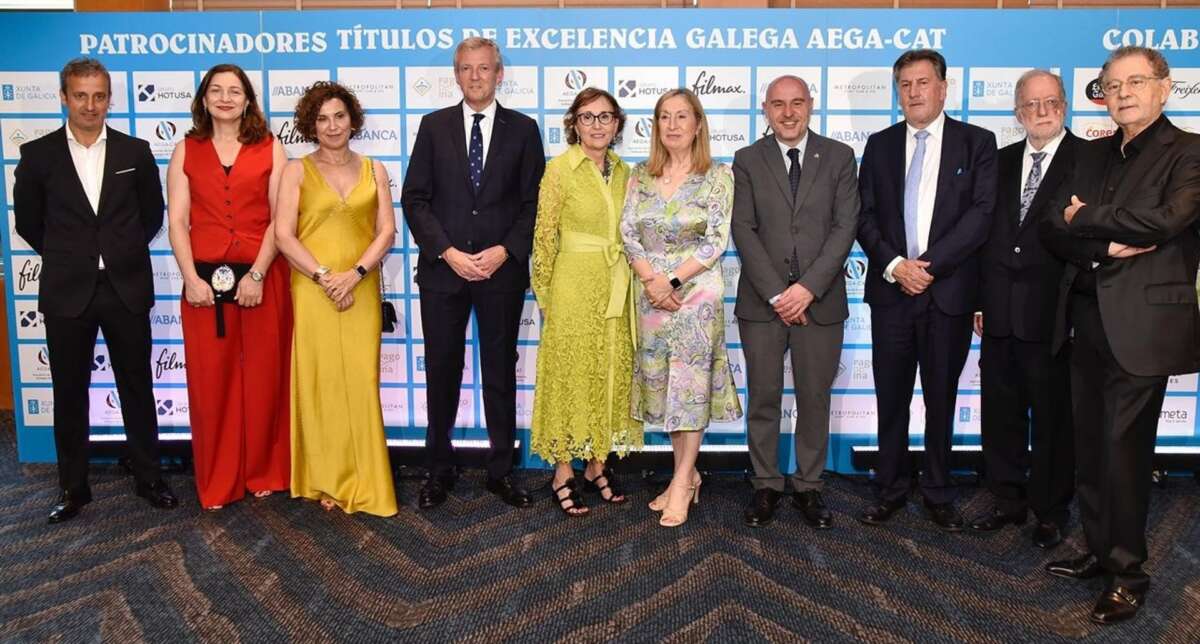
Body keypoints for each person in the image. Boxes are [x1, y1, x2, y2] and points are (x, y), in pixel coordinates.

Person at [1040, 46, 1200, 624]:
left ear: (1165, 87)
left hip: (1143, 326)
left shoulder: (1189, 151)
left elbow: (1166, 221)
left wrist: (1088, 217)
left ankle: (1128, 574)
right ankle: (1099, 549)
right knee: (1089, 448)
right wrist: (1100, 238)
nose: (1124, 92)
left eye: (1136, 81)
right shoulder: (1092, 153)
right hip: (1084, 317)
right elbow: (1053, 226)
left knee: (1124, 453)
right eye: (1113, 84)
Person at [14, 57, 177, 523]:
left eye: (99, 95)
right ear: (64, 97)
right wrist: (74, 257)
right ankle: (73, 487)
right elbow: (30, 223)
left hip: (125, 288)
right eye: (80, 95)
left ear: (109, 98)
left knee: (137, 387)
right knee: (69, 392)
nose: (90, 105)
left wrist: (117, 254)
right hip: (67, 291)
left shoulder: (135, 152)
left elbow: (151, 217)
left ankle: (149, 477)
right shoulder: (38, 156)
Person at [855, 49, 998, 531]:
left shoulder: (977, 142)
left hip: (948, 294)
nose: (913, 93)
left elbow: (980, 217)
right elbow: (864, 216)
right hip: (893, 294)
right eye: (905, 85)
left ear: (943, 87)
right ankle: (890, 486)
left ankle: (938, 489)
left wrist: (928, 268)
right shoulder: (878, 145)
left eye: (922, 83)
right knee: (890, 396)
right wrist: (897, 266)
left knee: (941, 396)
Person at [401, 37, 546, 510]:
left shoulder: (524, 130)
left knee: (500, 373)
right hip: (444, 273)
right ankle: (437, 470)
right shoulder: (433, 126)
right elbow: (415, 199)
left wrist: (505, 251)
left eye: (484, 68)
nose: (476, 76)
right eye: (466, 69)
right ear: (456, 74)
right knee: (442, 371)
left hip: (500, 273)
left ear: (499, 73)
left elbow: (533, 205)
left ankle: (501, 471)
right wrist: (446, 251)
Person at [731, 75, 859, 529]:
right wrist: (778, 293)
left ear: (811, 105)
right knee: (764, 397)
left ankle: (808, 486)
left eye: (797, 103)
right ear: (764, 109)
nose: (788, 112)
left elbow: (846, 228)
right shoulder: (746, 159)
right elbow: (742, 229)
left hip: (819, 302)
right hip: (762, 304)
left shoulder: (840, 157)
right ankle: (765, 484)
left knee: (814, 399)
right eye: (778, 104)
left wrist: (807, 289)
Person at [166, 64, 292, 511]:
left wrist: (257, 274)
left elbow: (281, 220)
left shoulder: (271, 148)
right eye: (216, 90)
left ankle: (263, 470)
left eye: (234, 90)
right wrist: (190, 279)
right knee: (210, 384)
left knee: (264, 378)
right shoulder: (186, 149)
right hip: (201, 283)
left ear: (247, 100)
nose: (225, 97)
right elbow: (177, 221)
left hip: (263, 278)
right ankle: (219, 480)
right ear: (203, 99)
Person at [274, 81, 398, 517]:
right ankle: (326, 478)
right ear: (311, 124)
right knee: (322, 383)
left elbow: (386, 231)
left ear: (352, 120)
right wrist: (325, 276)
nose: (332, 126)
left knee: (362, 382)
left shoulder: (375, 169)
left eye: (339, 116)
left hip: (360, 287)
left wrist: (356, 274)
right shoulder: (295, 171)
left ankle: (366, 479)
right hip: (313, 290)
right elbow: (283, 235)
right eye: (322, 118)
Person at [621, 88, 741, 528]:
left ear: (698, 125)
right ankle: (684, 477)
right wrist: (652, 280)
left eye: (681, 117)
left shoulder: (718, 175)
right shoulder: (640, 175)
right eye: (664, 117)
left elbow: (715, 242)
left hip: (696, 296)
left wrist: (671, 280)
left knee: (690, 388)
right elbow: (629, 233)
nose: (672, 125)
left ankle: (681, 482)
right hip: (651, 295)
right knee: (666, 388)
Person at [970, 70, 1078, 548]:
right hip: (996, 311)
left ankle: (1050, 510)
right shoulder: (1000, 160)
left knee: (1054, 418)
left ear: (1065, 105)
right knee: (1001, 413)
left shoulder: (1088, 160)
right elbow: (983, 236)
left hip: (1054, 315)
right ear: (1017, 112)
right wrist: (978, 300)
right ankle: (1007, 500)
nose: (1041, 111)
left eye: (1050, 102)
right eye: (1030, 104)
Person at [531, 88, 642, 517]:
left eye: (605, 117)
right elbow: (543, 237)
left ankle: (597, 464)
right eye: (587, 117)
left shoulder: (626, 171)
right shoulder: (560, 170)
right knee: (569, 375)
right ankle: (562, 471)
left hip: (617, 284)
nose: (597, 125)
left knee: (609, 372)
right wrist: (545, 296)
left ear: (617, 124)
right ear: (574, 123)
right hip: (572, 287)